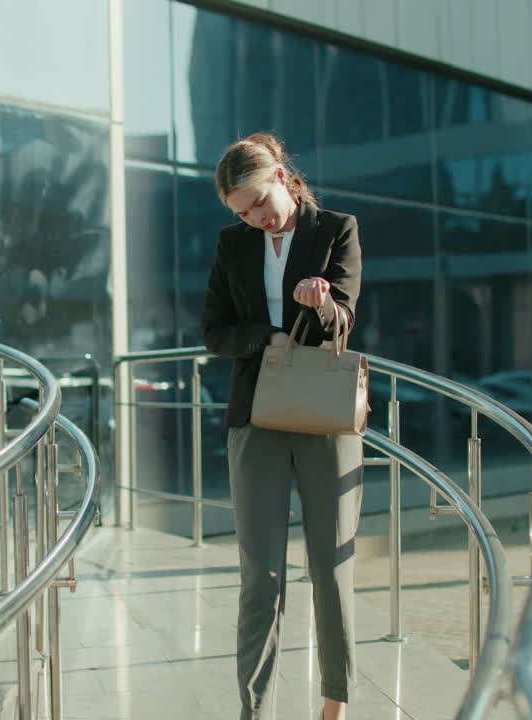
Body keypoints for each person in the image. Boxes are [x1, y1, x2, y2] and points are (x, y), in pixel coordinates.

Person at [201, 132, 364, 720]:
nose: (256, 220)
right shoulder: (232, 243)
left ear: (280, 177)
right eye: (242, 213)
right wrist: (265, 338)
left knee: (331, 565)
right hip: (255, 414)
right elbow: (215, 331)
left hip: (325, 417)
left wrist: (319, 302)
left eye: (258, 204)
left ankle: (334, 702)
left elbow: (344, 311)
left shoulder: (335, 229)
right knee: (260, 574)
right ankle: (254, 709)